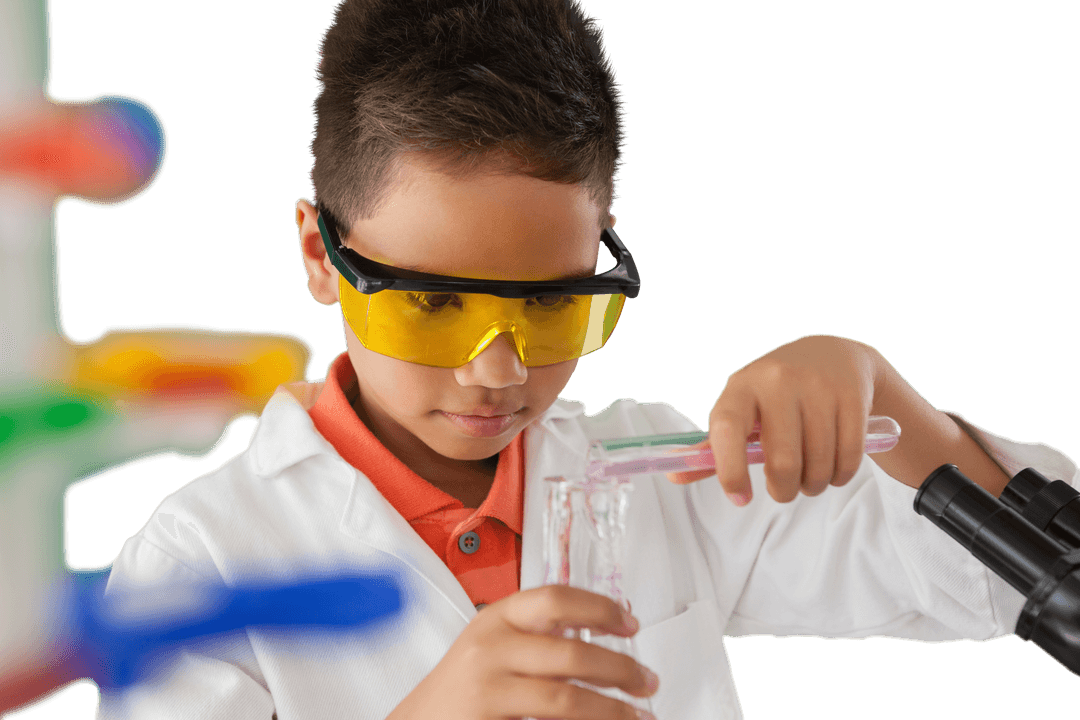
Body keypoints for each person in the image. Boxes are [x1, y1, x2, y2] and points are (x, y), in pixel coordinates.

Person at [94, 1, 1079, 718]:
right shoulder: (202, 565)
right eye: (433, 302)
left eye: (555, 303)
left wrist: (890, 404)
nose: (498, 372)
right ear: (322, 254)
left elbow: (1022, 589)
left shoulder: (663, 474)